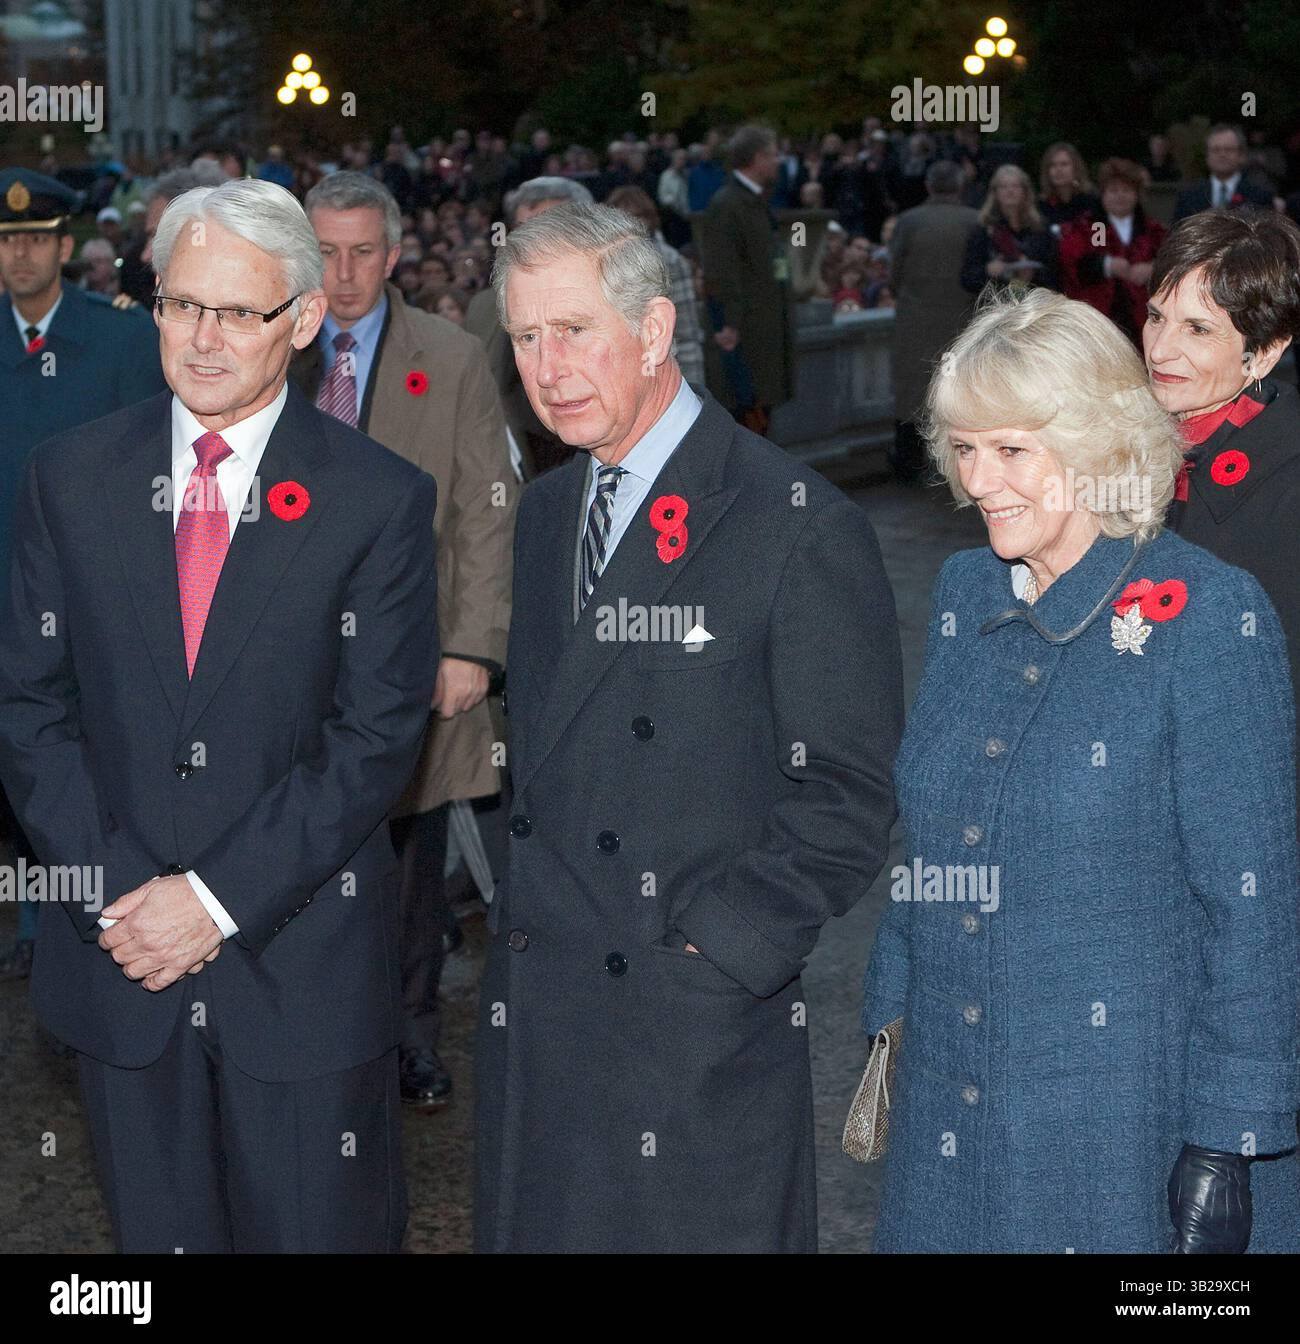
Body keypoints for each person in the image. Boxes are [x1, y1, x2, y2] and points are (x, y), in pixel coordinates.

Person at [0, 177, 440, 1252]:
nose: (201, 338)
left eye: (236, 313)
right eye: (178, 303)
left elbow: (374, 737)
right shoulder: (70, 478)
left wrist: (213, 898)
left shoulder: (376, 499)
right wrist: (120, 901)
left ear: (297, 321)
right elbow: (27, 708)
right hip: (122, 976)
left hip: (299, 972)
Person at [474, 203, 903, 1253]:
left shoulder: (791, 523)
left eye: (573, 330)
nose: (546, 365)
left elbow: (850, 795)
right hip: (541, 1019)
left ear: (656, 331)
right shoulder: (544, 512)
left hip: (688, 1033)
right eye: (525, 337)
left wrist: (722, 947)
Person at [863, 285, 1299, 1252]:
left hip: (1118, 1128)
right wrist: (893, 1008)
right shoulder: (963, 588)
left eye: (1013, 450)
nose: (981, 481)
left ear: (1100, 446)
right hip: (949, 1108)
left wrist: (1231, 1141)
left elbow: (1256, 910)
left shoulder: (1209, 621)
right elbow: (935, 817)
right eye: (965, 448)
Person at [296, 171, 517, 1110]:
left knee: (412, 871)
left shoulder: (453, 356)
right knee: (299, 860)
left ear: (393, 256)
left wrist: (472, 647)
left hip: (415, 664)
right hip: (292, 665)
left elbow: (485, 509)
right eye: (326, 253)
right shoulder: (270, 341)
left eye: (361, 253)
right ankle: (311, 1040)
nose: (344, 276)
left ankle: (409, 1040)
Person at [0, 167, 167, 983]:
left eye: (34, 239)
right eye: (6, 242)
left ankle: (66, 917)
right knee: (20, 760)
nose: (21, 255)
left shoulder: (123, 340)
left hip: (94, 602)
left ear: (65, 247)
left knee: (78, 760)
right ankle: (35, 919)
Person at [1143, 209, 1300, 839]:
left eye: (1198, 329)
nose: (1159, 349)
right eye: (1156, 315)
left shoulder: (1288, 488)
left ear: (1263, 352)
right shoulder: (1123, 454)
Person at [464, 176, 594, 477]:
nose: (534, 243)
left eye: (550, 229)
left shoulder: (620, 302)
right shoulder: (484, 308)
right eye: (524, 231)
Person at [699, 124, 796, 437]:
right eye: (771, 154)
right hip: (747, 333)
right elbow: (720, 269)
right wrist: (729, 324)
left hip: (760, 328)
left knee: (759, 416)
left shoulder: (752, 202)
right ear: (756, 158)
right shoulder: (729, 204)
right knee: (748, 418)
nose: (777, 161)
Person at [888, 159, 979, 483]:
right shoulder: (974, 220)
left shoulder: (909, 221)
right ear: (960, 186)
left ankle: (909, 464)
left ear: (928, 186)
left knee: (911, 394)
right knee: (955, 393)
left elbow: (894, 271)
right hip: (961, 319)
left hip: (915, 317)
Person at [606, 185, 706, 390]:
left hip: (666, 372)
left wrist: (693, 386)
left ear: (649, 220)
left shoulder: (671, 261)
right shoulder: (602, 263)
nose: (628, 225)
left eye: (636, 217)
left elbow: (687, 329)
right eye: (621, 219)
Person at [1058, 157, 1167, 347]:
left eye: (1126, 190)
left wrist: (1152, 268)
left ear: (1136, 194)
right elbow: (1082, 260)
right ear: (1103, 194)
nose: (1120, 196)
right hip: (1100, 318)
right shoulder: (1095, 226)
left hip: (1144, 320)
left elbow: (1171, 259)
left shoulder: (1152, 229)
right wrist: (1107, 265)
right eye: (1114, 191)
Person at [962, 164, 1058, 295]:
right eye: (1003, 187)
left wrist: (1031, 271)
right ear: (995, 193)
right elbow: (967, 278)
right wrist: (988, 270)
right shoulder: (983, 229)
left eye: (1015, 186)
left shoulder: (1039, 228)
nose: (1010, 191)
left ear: (1025, 191)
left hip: (1033, 302)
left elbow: (1055, 271)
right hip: (996, 303)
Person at [1173, 125, 1273, 222]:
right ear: (1207, 156)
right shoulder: (1189, 196)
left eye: (1229, 149)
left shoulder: (1260, 196)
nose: (1222, 154)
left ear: (1241, 155)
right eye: (1216, 150)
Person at [1037, 141, 1101, 234]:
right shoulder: (1041, 206)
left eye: (1064, 164)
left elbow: (1100, 241)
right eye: (1053, 165)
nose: (1058, 169)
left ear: (1076, 168)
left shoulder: (1093, 202)